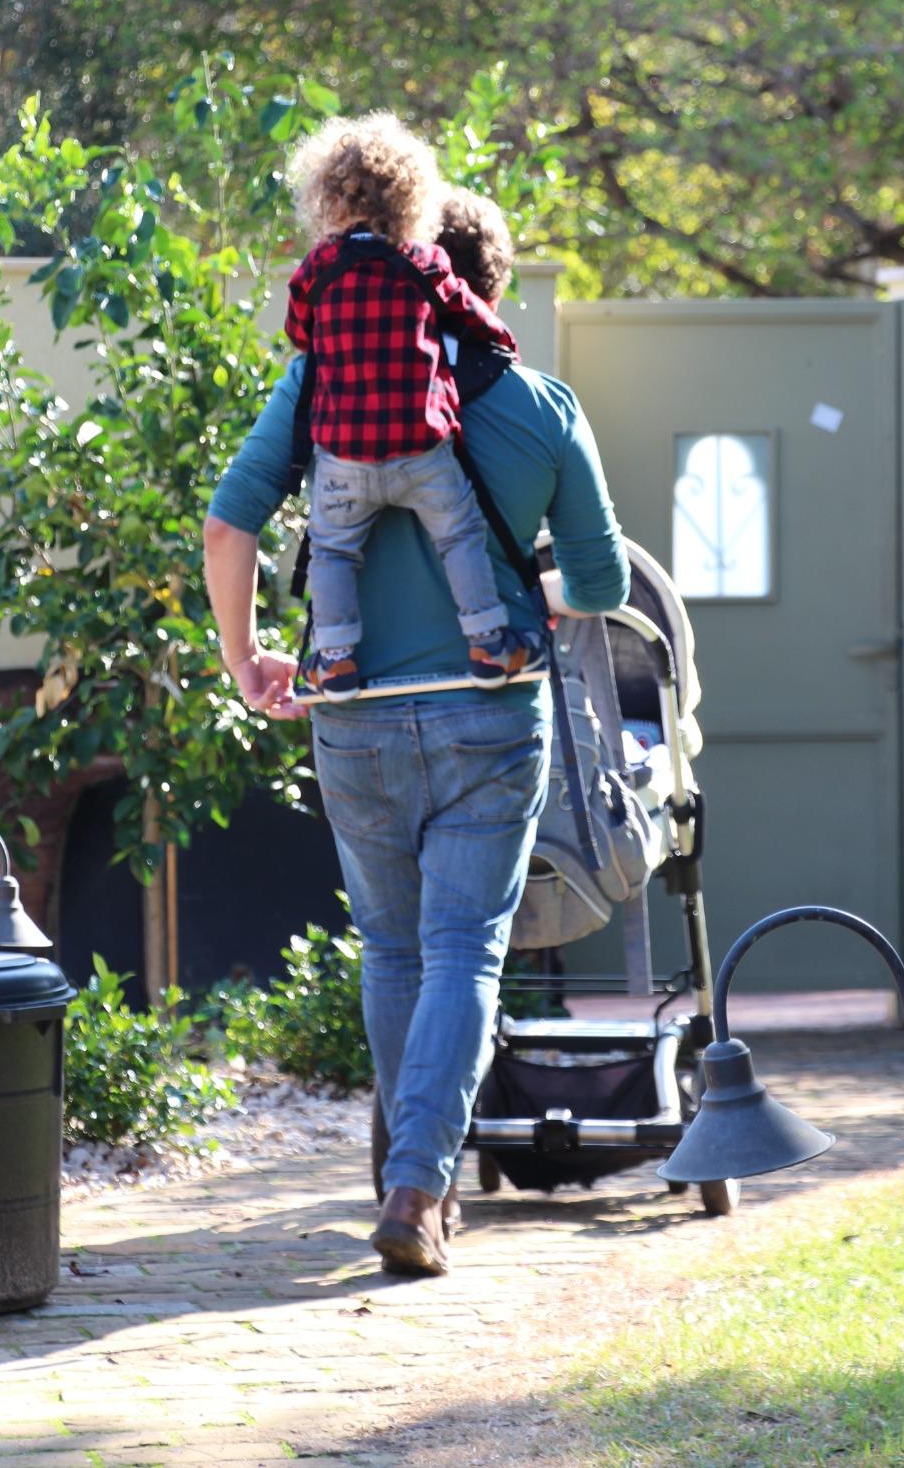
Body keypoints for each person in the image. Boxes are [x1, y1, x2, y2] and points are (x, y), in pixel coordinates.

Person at [203, 178, 630, 1277]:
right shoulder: (539, 406)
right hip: (490, 716)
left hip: (353, 719)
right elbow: (597, 579)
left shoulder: (316, 381)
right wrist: (514, 585)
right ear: (485, 287)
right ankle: (419, 1187)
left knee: (393, 948)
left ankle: (409, 1171)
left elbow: (229, 520)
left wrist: (244, 654)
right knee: (460, 948)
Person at [283, 112, 542, 699]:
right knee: (460, 538)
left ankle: (336, 661)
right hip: (423, 452)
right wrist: (503, 345)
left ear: (326, 200)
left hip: (346, 458)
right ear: (413, 201)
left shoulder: (318, 272)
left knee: (332, 551)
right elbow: (469, 313)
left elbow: (299, 334)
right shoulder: (423, 264)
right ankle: (487, 644)